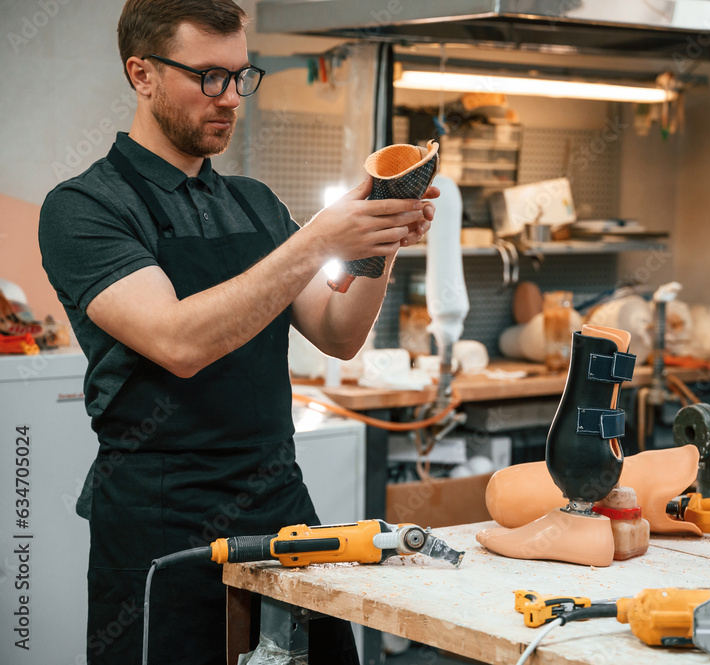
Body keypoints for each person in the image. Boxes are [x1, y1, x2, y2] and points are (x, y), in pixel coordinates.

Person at [37, 1, 437, 663]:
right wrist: (315, 241)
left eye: (240, 77)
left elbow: (338, 333)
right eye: (208, 78)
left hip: (280, 505)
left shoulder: (254, 202)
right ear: (141, 73)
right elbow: (177, 341)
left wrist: (381, 238)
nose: (229, 99)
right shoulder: (85, 207)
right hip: (161, 523)